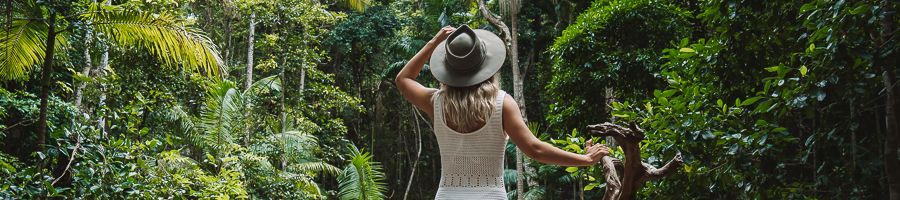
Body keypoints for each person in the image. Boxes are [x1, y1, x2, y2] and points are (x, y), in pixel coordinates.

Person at [395, 25, 611, 199]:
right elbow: (535, 149)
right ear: (485, 66)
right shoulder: (501, 103)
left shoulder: (436, 102)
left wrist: (434, 42)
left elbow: (403, 79)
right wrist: (585, 159)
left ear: (448, 69)